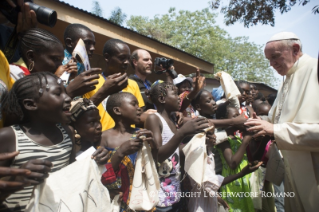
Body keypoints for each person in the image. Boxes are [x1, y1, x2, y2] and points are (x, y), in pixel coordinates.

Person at [245, 32, 319, 212]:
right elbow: (275, 120)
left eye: (275, 57)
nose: (271, 64)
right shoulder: (287, 79)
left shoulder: (315, 70)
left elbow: (277, 127)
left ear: (295, 49)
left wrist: (274, 130)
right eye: (268, 59)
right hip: (292, 171)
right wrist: (261, 124)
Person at [0, 72, 74, 211]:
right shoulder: (8, 137)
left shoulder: (67, 133)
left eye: (65, 92)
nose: (68, 98)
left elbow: (71, 174)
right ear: (31, 104)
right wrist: (17, 179)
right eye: (58, 93)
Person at [144, 81, 210, 211]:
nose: (180, 97)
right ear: (162, 99)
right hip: (160, 195)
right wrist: (182, 133)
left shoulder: (172, 119)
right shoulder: (153, 119)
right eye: (175, 94)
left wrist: (200, 141)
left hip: (175, 190)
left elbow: (175, 151)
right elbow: (157, 156)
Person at [100, 92, 156, 212]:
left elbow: (154, 165)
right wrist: (120, 152)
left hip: (142, 199)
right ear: (117, 110)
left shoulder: (141, 133)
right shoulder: (104, 138)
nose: (139, 108)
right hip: (118, 200)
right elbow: (101, 173)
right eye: (133, 104)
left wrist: (153, 146)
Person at [188, 125, 262, 212]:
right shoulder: (197, 155)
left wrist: (218, 198)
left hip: (210, 199)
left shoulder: (209, 153)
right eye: (211, 134)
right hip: (201, 204)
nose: (215, 136)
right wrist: (241, 174)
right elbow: (209, 182)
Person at [84, 39, 147, 131]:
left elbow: (139, 115)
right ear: (107, 57)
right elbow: (83, 113)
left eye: (128, 59)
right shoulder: (92, 81)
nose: (126, 62)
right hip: (100, 140)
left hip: (128, 140)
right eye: (122, 58)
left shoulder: (133, 84)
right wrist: (104, 91)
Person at [216, 105, 255, 212]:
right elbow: (232, 163)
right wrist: (246, 141)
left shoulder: (237, 138)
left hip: (243, 181)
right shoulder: (223, 140)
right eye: (236, 116)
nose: (241, 118)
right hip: (232, 183)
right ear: (226, 121)